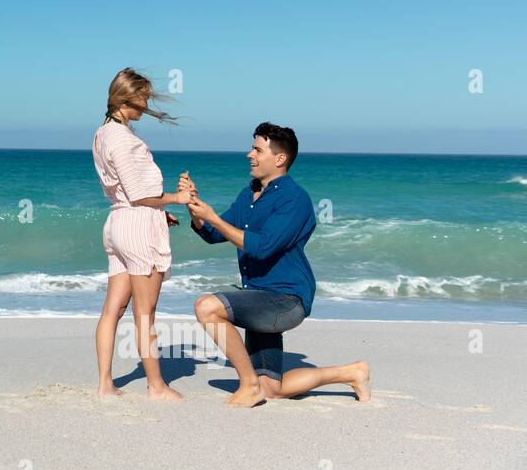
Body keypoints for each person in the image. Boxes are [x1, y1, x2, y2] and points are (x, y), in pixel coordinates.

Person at [181, 123, 371, 407]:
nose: (249, 154)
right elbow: (213, 234)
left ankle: (248, 386)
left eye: (257, 149)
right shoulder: (249, 195)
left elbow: (262, 246)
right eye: (252, 148)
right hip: (257, 296)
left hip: (285, 299)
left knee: (206, 306)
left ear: (280, 159)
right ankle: (351, 372)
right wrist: (196, 210)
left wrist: (214, 217)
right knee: (272, 388)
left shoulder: (295, 199)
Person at [92, 68, 192, 401]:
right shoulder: (121, 138)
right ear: (127, 96)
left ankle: (106, 384)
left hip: (119, 223)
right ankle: (156, 386)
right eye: (143, 96)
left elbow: (124, 193)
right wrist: (176, 199)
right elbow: (136, 193)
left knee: (113, 310)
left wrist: (159, 211)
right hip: (135, 225)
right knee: (144, 313)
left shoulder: (103, 134)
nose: (147, 103)